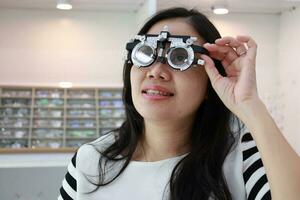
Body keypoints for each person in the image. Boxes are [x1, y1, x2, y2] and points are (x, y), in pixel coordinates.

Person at [58, 7, 300, 200]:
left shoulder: (239, 156)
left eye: (180, 57)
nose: (156, 71)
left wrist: (250, 105)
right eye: (145, 53)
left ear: (211, 81)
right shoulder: (90, 162)